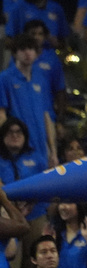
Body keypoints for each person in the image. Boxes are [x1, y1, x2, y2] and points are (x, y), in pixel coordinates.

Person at [0, 34, 58, 169]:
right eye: (23, 49)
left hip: (40, 144)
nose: (27, 53)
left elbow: (46, 116)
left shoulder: (41, 79)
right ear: (15, 53)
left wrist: (53, 151)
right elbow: (1, 114)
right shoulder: (5, 79)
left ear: (37, 53)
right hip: (17, 145)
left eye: (31, 49)